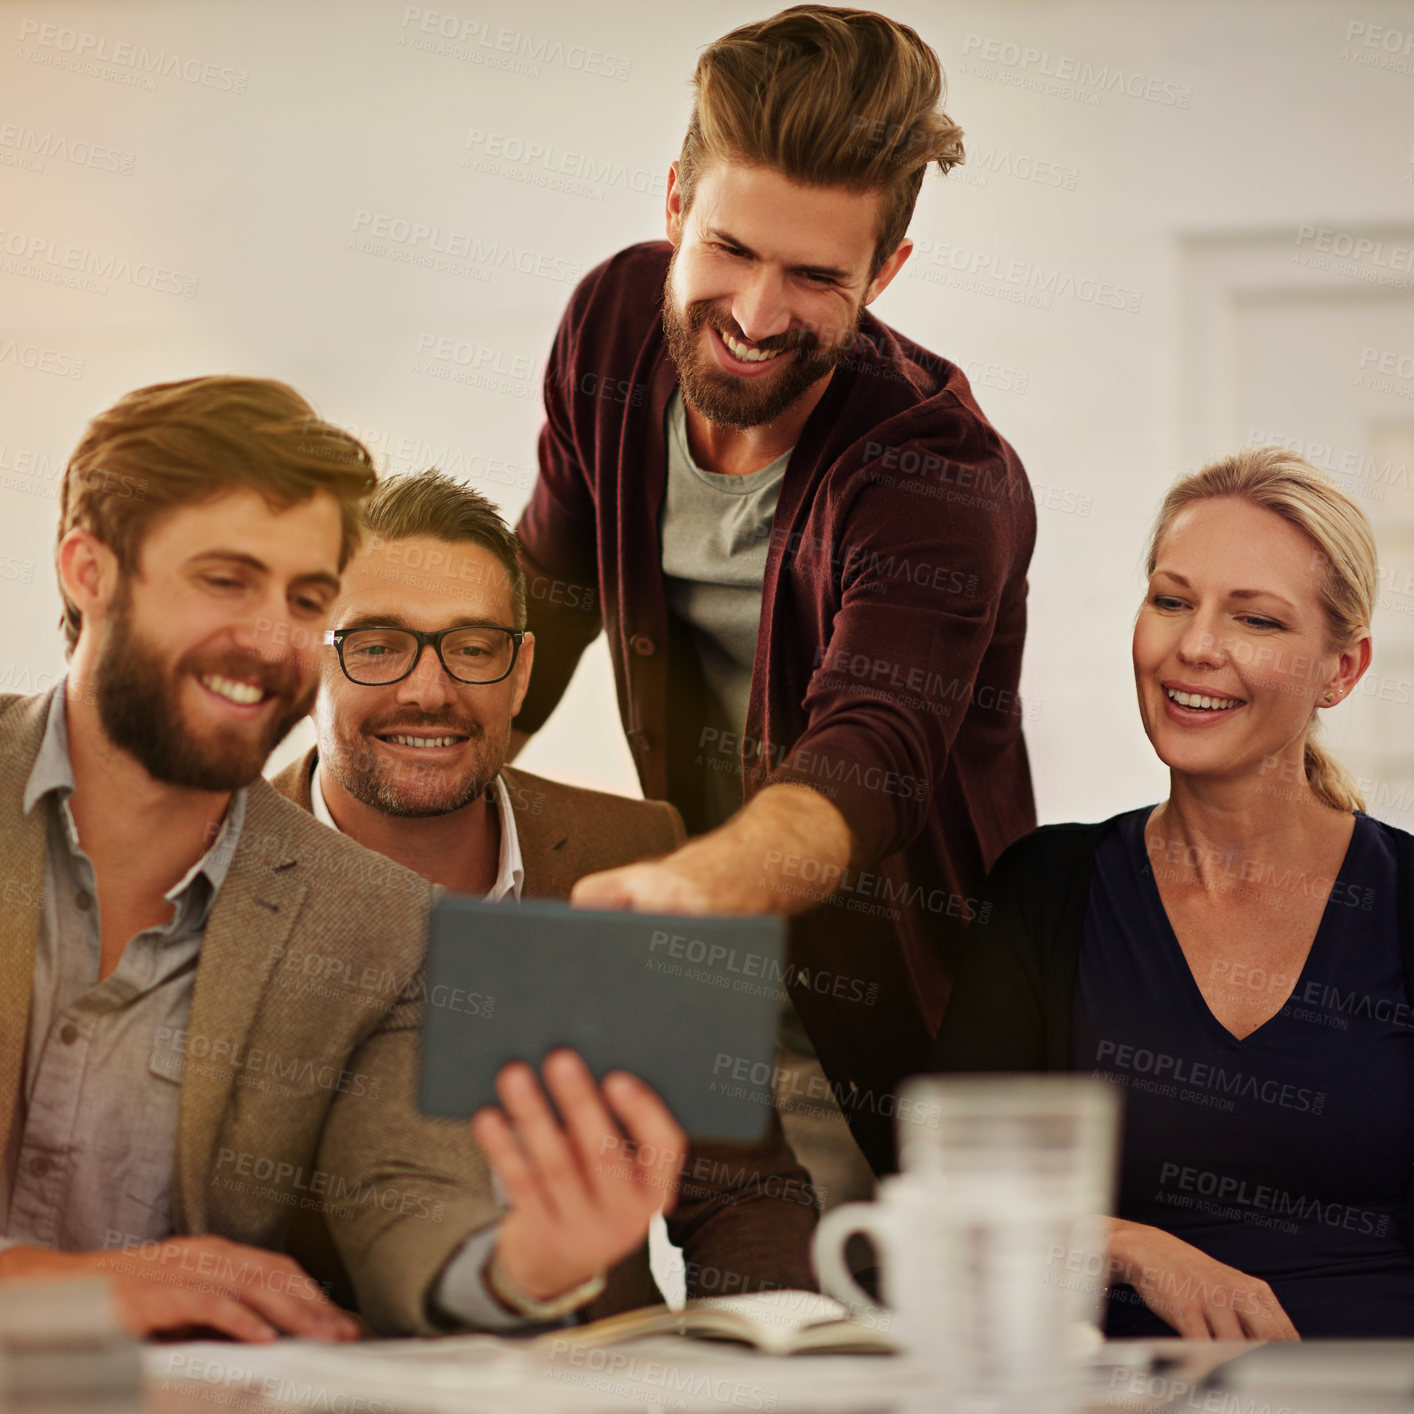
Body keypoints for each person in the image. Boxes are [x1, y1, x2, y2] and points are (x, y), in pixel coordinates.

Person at [0, 377, 688, 1340]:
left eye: (305, 597)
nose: (271, 641)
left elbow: (409, 1199)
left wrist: (522, 1265)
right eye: (226, 581)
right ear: (90, 572)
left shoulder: (374, 918)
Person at [510, 4, 1037, 1189]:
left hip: (908, 1033)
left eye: (813, 277)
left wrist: (694, 887)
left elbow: (872, 748)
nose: (754, 317)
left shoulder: (936, 472)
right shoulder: (609, 321)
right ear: (673, 207)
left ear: (886, 272)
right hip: (702, 996)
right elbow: (531, 611)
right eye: (730, 250)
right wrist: (326, 796)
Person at [271, 468, 819, 1320]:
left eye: (473, 646)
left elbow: (741, 1195)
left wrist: (751, 1372)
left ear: (522, 672)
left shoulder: (635, 851)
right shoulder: (213, 867)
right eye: (377, 644)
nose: (429, 689)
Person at [932, 445, 1414, 1340]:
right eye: (1171, 600)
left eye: (1257, 621)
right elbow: (953, 1207)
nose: (1196, 647)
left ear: (1341, 670)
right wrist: (1122, 1242)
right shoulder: (1047, 891)